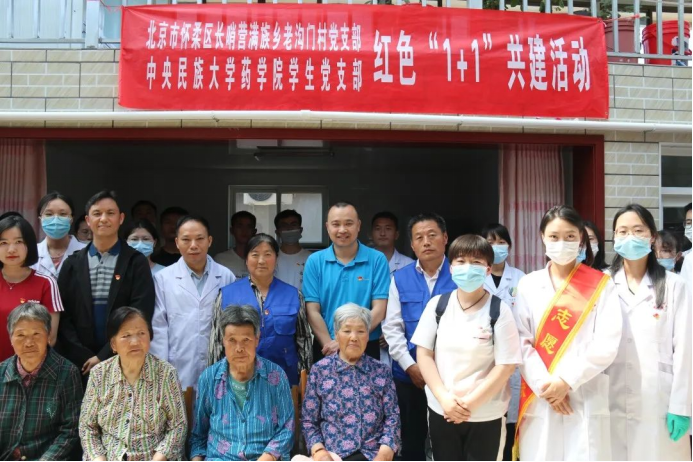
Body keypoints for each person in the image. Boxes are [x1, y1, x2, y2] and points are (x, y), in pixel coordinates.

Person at [514, 205, 622, 461]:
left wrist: (566, 381)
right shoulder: (528, 284)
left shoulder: (601, 284)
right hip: (542, 397)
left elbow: (607, 342)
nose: (561, 243)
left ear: (581, 238)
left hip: (584, 392)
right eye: (554, 236)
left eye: (570, 236)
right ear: (542, 237)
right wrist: (547, 387)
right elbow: (521, 341)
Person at [411, 235, 522, 461]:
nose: (468, 267)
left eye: (476, 262)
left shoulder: (499, 310)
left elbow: (506, 365)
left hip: (486, 413)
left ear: (488, 269)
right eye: (461, 261)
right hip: (443, 410)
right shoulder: (438, 306)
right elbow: (424, 354)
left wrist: (470, 404)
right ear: (451, 268)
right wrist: (444, 399)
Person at [606, 204, 692, 460]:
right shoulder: (602, 283)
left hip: (659, 399)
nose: (630, 237)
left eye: (638, 230)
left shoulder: (674, 285)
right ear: (614, 237)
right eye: (622, 231)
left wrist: (681, 405)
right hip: (609, 396)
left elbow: (685, 349)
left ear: (652, 236)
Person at [57, 190, 155, 380]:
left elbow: (141, 311)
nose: (103, 219)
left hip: (124, 359)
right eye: (97, 213)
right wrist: (83, 356)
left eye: (110, 213)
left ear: (121, 218)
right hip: (80, 364)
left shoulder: (135, 262)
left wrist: (103, 356)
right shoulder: (72, 263)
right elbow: (63, 316)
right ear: (88, 220)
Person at [382, 212, 455, 460]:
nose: (426, 242)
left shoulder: (460, 275)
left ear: (445, 238)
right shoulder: (400, 278)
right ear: (412, 245)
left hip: (451, 377)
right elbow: (392, 328)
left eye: (432, 235)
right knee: (411, 442)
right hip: (409, 378)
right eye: (419, 237)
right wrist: (410, 366)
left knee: (447, 442)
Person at [80, 306, 187, 461]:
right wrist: (99, 458)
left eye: (141, 333)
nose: (135, 341)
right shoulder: (99, 374)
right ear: (113, 344)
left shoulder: (166, 374)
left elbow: (178, 426)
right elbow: (87, 427)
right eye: (126, 335)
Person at [190, 305, 295, 462]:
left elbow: (287, 429)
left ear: (257, 340)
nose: (239, 349)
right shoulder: (209, 378)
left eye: (246, 340)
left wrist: (267, 457)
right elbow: (198, 436)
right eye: (232, 340)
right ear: (223, 341)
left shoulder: (276, 376)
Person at [208, 233, 311, 387]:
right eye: (255, 255)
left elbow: (304, 341)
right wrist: (216, 383)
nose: (261, 261)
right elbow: (216, 342)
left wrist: (304, 381)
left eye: (268, 254)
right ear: (246, 259)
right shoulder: (226, 295)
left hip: (284, 381)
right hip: (239, 381)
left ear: (276, 258)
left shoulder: (294, 295)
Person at [302, 304, 401, 462]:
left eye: (361, 331)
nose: (354, 337)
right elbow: (309, 421)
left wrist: (385, 453)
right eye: (347, 331)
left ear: (368, 336)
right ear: (336, 334)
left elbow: (392, 417)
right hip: (334, 454)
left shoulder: (381, 371)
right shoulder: (320, 371)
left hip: (374, 453)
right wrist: (319, 452)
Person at [151, 215, 235, 390]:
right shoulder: (163, 278)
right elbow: (158, 328)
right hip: (178, 366)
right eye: (186, 240)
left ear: (209, 241)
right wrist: (161, 371)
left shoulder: (226, 276)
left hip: (219, 365)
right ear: (177, 242)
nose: (193, 245)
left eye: (199, 239)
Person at [303, 202, 390, 362]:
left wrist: (347, 340)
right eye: (336, 224)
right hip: (326, 345)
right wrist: (331, 344)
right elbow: (312, 310)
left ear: (358, 225)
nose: (342, 230)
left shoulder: (377, 260)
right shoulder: (315, 261)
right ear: (327, 227)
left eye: (348, 223)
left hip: (365, 345)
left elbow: (379, 308)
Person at [0, 302, 82, 461]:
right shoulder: (1, 372)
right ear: (10, 338)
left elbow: (71, 430)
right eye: (21, 335)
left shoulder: (67, 373)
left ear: (48, 335)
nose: (29, 343)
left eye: (36, 334)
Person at [481, 223, 526, 461]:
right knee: (488, 417)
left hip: (514, 357)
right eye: (490, 242)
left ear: (509, 245)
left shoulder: (521, 278)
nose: (496, 247)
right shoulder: (476, 277)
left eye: (501, 242)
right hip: (485, 356)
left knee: (513, 421)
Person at [1, 215, 63, 360]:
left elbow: (51, 338)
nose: (11, 249)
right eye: (3, 243)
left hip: (29, 368)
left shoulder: (46, 283)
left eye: (18, 242)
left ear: (29, 245)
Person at [33, 192, 86, 279]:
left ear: (71, 219)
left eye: (63, 214)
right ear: (40, 219)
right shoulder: (31, 253)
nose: (56, 219)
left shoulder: (87, 252)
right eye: (49, 214)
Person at [274, 210, 313, 290]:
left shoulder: (312, 259)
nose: (289, 228)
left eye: (293, 224)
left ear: (300, 230)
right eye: (284, 225)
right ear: (277, 232)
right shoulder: (271, 258)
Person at [215, 211, 258, 279]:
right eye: (239, 226)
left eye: (249, 227)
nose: (244, 230)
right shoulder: (221, 260)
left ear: (254, 231)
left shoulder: (262, 259)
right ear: (232, 230)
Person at [371, 211, 414, 275]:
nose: (382, 233)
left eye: (388, 229)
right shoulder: (361, 262)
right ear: (371, 234)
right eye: (378, 228)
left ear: (396, 234)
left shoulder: (409, 265)